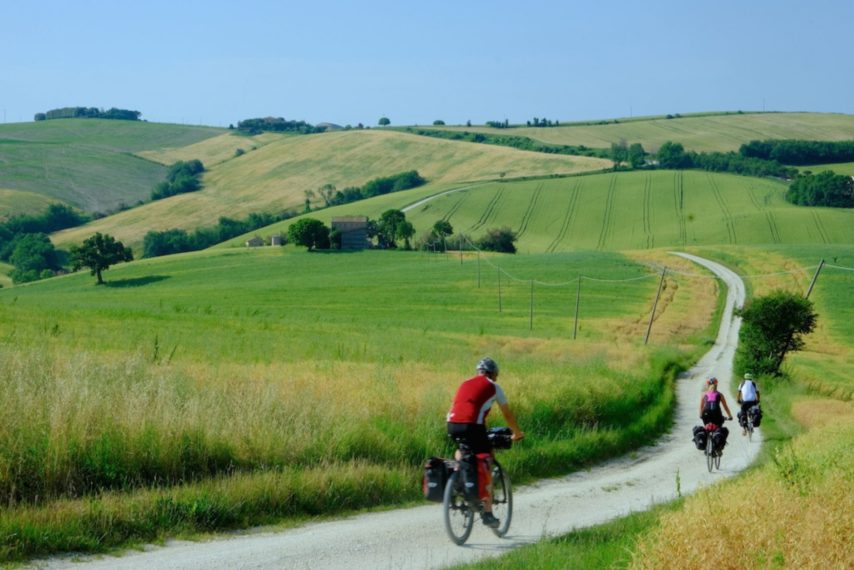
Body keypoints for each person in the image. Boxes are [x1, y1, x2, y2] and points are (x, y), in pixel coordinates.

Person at [446, 357, 524, 529]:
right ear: (493, 374)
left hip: (452, 425)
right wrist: (517, 433)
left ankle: (460, 477)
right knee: (486, 457)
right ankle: (487, 513)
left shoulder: (465, 382)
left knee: (463, 450)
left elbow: (465, 408)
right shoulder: (494, 387)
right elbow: (507, 414)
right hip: (472, 426)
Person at [699, 377, 733, 449]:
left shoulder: (704, 394)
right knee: (719, 428)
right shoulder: (720, 394)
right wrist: (730, 416)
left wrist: (700, 415)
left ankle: (705, 444)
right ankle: (718, 446)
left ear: (708, 385)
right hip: (716, 412)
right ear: (716, 385)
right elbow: (725, 407)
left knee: (707, 427)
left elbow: (701, 407)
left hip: (706, 413)